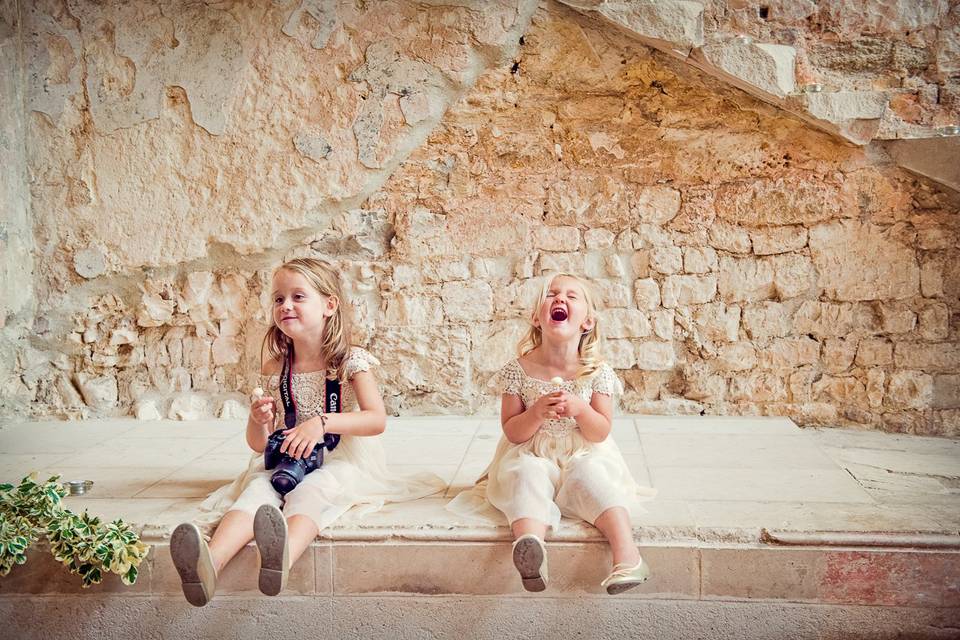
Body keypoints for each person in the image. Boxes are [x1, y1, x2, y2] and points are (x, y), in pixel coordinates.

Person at [170, 258, 443, 606]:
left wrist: (322, 422)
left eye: (298, 296)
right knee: (257, 489)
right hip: (290, 457)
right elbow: (258, 445)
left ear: (329, 305)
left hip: (339, 458)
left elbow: (377, 420)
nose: (286, 305)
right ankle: (208, 563)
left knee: (315, 489)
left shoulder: (350, 361)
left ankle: (280, 558)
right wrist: (258, 420)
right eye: (278, 299)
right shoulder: (275, 368)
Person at [448, 272, 656, 594]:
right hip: (532, 450)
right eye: (551, 294)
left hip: (584, 451)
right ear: (536, 318)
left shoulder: (597, 371)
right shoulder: (517, 371)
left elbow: (600, 431)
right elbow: (513, 432)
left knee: (593, 475)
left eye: (572, 296)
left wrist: (581, 409)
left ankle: (627, 556)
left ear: (587, 322)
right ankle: (531, 547)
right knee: (525, 474)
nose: (560, 299)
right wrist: (535, 413)